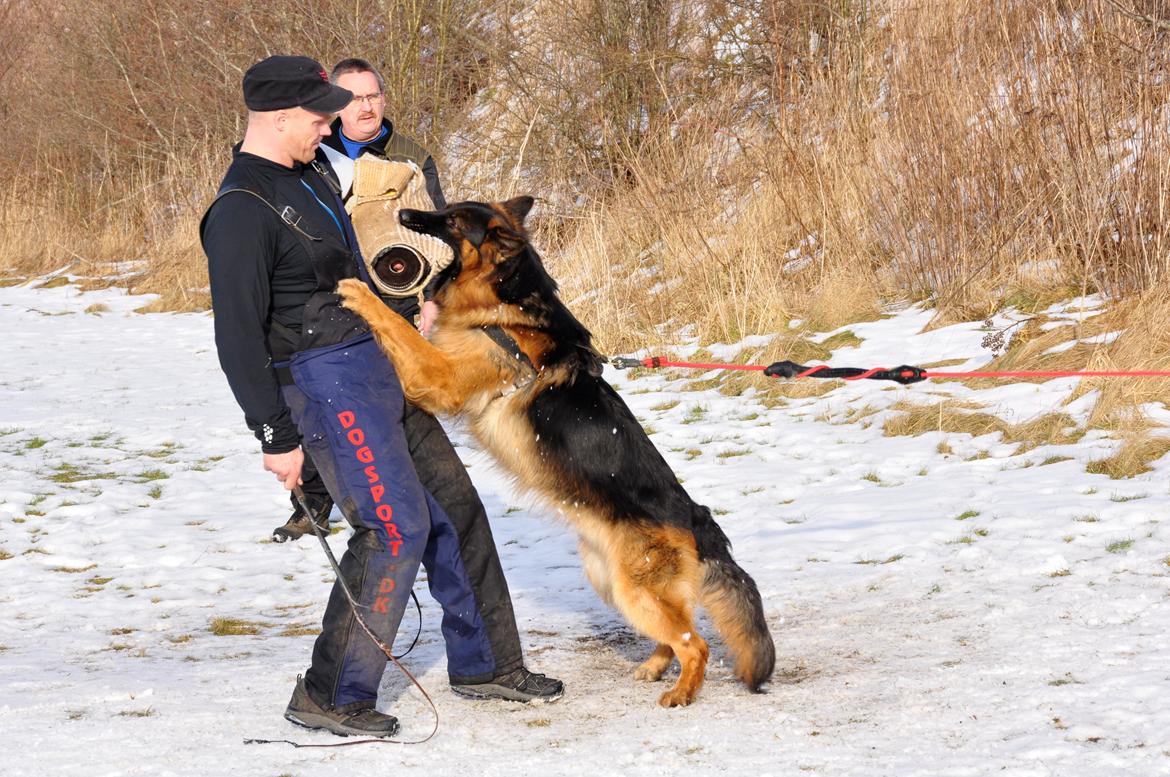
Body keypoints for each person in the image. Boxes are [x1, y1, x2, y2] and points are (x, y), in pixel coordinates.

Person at [200, 55, 562, 739]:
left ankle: (487, 664)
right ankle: (330, 692)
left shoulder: (310, 172)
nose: (329, 124)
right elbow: (236, 336)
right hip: (320, 380)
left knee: (456, 509)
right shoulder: (240, 210)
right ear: (279, 118)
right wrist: (275, 434)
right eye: (318, 116)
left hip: (378, 358)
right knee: (394, 529)